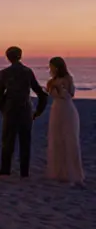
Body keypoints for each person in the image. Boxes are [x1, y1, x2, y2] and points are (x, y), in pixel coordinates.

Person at [0, 46, 48, 178]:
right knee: (25, 141)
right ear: (20, 56)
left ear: (8, 57)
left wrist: (3, 109)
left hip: (11, 109)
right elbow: (41, 93)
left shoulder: (3, 73)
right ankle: (24, 171)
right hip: (25, 109)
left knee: (8, 140)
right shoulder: (27, 72)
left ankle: (5, 168)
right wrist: (38, 111)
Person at [44, 57, 83, 185]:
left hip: (66, 109)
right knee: (56, 139)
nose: (50, 69)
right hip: (56, 109)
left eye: (52, 66)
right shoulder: (52, 81)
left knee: (69, 139)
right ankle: (58, 172)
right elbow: (50, 94)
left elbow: (70, 94)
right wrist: (50, 88)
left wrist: (59, 89)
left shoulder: (67, 78)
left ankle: (72, 173)